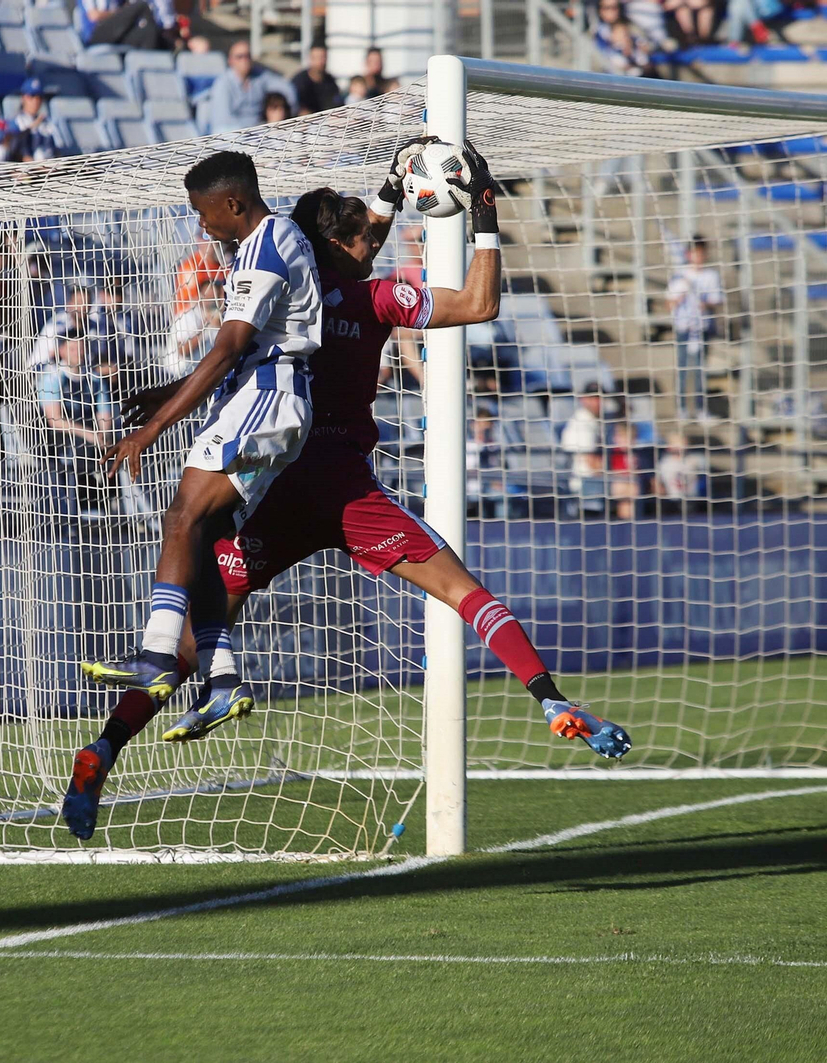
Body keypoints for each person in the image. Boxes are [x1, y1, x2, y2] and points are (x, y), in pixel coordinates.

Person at [62, 145, 630, 836]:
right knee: (464, 590)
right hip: (344, 487)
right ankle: (549, 699)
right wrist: (484, 214)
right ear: (345, 242)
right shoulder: (378, 297)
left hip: (274, 487)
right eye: (368, 233)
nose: (379, 240)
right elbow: (480, 301)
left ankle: (105, 747)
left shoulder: (292, 272)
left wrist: (391, 189)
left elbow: (332, 262)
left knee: (193, 636)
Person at [76, 151, 323, 732]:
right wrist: (168, 391)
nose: (199, 223)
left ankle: (159, 656)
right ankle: (221, 678)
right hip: (266, 399)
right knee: (208, 535)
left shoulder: (266, 243)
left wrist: (151, 428)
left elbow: (232, 347)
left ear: (233, 203)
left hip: (267, 397)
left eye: (202, 211)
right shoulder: (259, 244)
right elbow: (237, 349)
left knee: (181, 516)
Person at [38, 332, 117, 512]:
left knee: (122, 447)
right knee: (78, 451)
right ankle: (78, 509)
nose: (78, 353)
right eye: (73, 348)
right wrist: (91, 435)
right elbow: (55, 420)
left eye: (81, 348)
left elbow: (104, 413)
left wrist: (104, 435)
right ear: (62, 350)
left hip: (92, 437)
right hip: (61, 438)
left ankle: (122, 509)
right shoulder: (52, 377)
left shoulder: (94, 378)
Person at [666, 236, 723, 420]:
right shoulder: (679, 276)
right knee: (683, 368)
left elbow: (716, 300)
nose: (697, 257)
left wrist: (705, 304)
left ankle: (700, 409)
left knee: (700, 370)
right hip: (684, 327)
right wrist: (680, 297)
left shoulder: (711, 276)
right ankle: (681, 409)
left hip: (702, 327)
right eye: (694, 253)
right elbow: (670, 303)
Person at [561, 384, 637, 518]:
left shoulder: (599, 420)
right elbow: (592, 464)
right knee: (627, 488)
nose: (598, 402)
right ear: (583, 399)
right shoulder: (580, 424)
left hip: (601, 477)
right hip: (585, 481)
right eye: (593, 398)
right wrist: (616, 476)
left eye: (600, 398)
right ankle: (628, 532)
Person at [206, 38, 296, 134]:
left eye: (247, 56)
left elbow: (286, 88)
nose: (244, 60)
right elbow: (223, 121)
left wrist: (288, 112)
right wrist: (250, 133)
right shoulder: (222, 83)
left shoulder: (259, 76)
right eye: (239, 57)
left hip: (260, 132)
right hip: (233, 135)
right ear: (230, 61)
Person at [162, 274, 221, 376]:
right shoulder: (187, 316)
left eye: (214, 296)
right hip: (177, 374)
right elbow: (183, 351)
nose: (211, 299)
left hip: (199, 373)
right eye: (208, 295)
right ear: (200, 295)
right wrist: (204, 327)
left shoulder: (216, 318)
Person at [0, 78, 57, 163]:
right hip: (25, 170)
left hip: (48, 168)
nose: (36, 101)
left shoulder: (46, 123)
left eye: (39, 97)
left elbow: (54, 150)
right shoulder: (16, 122)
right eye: (32, 96)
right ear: (23, 98)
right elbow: (12, 150)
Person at [77, 0, 173, 50]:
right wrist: (119, 13)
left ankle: (151, 72)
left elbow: (126, 11)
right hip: (95, 34)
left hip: (117, 35)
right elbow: (94, 16)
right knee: (142, 6)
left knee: (149, 32)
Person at [290, 44, 342, 114]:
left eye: (323, 57)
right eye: (317, 58)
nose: (321, 62)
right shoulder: (299, 82)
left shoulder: (330, 81)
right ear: (310, 58)